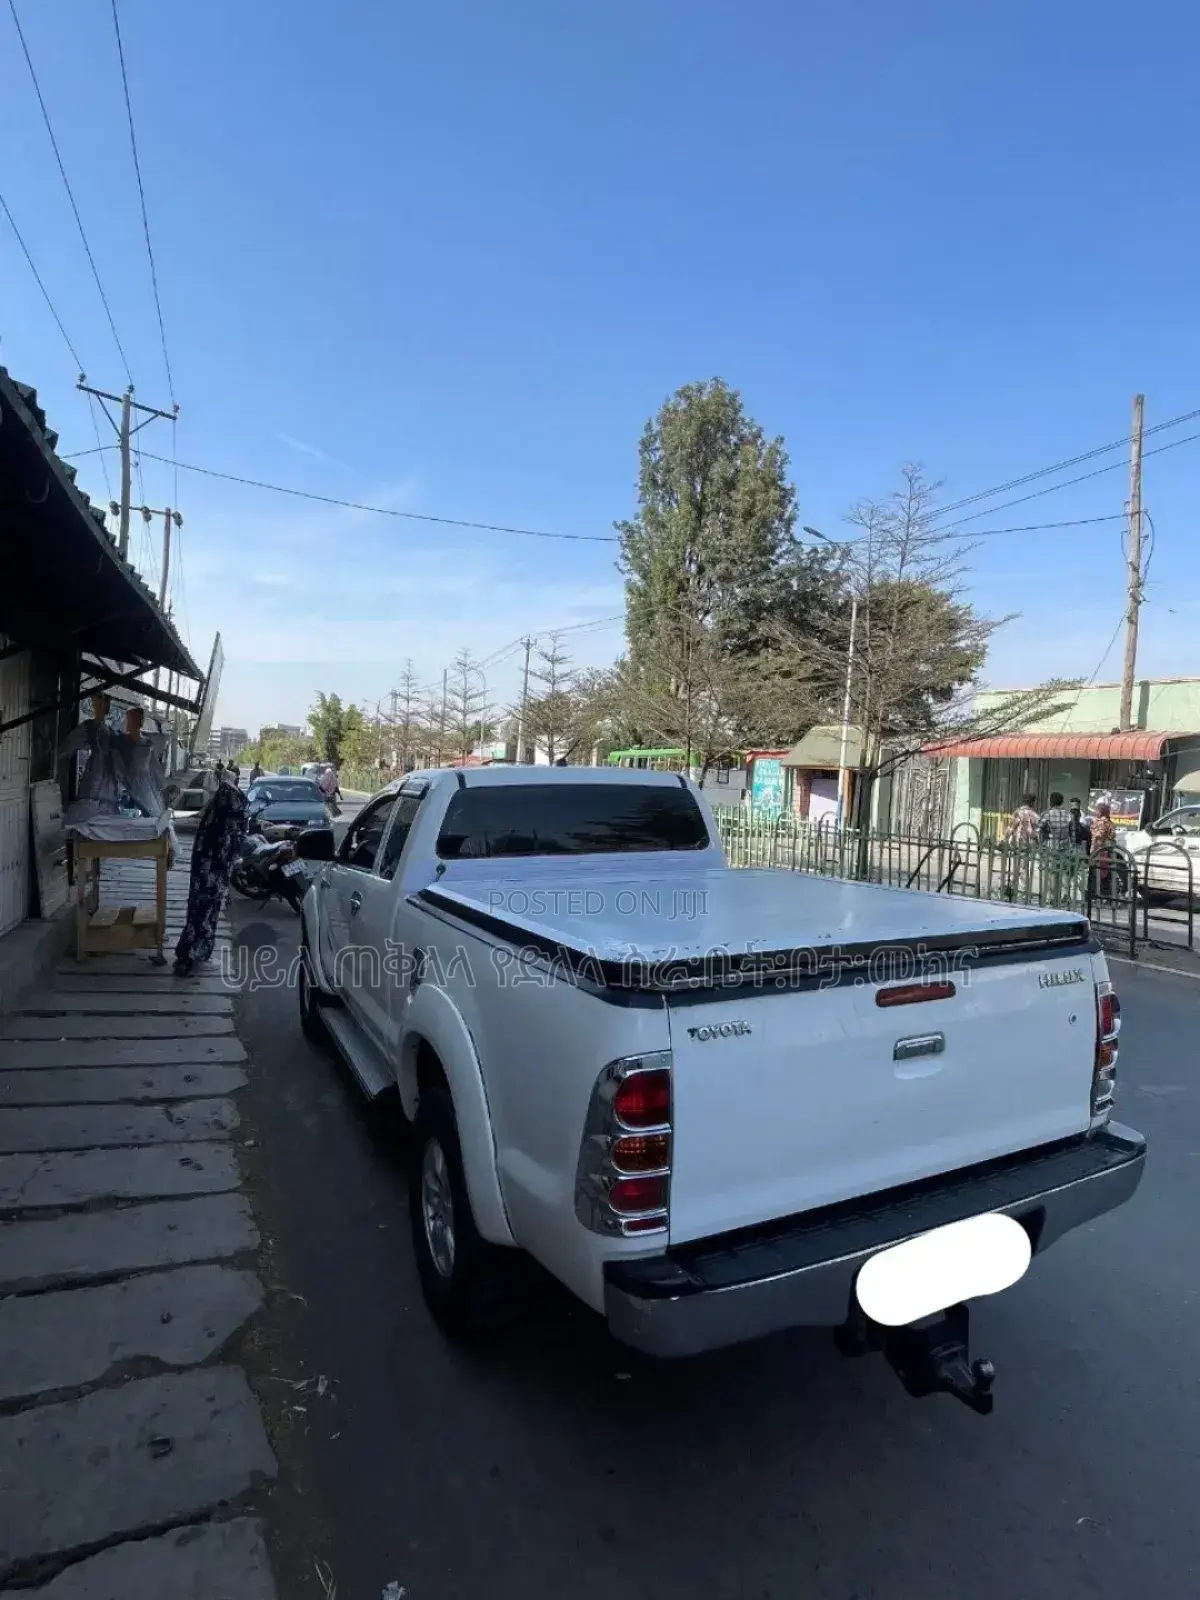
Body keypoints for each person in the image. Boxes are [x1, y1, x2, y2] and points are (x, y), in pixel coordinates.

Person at [174, 779, 248, 976]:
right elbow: (229, 851)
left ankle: (190, 954)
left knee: (199, 912)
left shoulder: (213, 820)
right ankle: (190, 955)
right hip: (212, 876)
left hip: (204, 875)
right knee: (205, 914)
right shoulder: (225, 825)